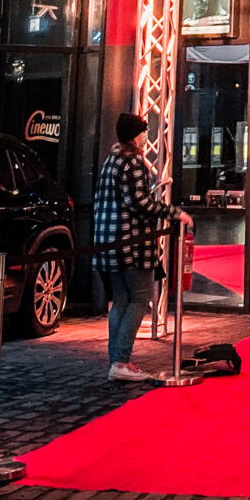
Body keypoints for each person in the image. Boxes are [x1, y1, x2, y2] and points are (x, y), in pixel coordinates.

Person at [93, 111, 186, 382]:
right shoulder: (133, 161)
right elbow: (140, 203)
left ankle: (117, 361)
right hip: (132, 243)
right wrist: (174, 213)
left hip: (109, 241)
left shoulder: (111, 159)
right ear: (136, 136)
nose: (147, 136)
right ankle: (121, 361)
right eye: (144, 131)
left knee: (120, 300)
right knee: (139, 299)